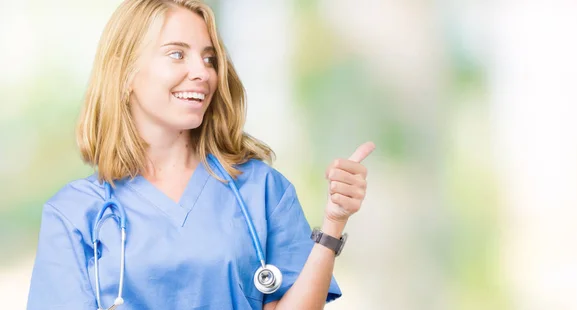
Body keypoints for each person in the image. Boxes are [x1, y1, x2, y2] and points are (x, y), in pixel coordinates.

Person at [26, 0, 375, 309]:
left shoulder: (260, 189)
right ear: (126, 71)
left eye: (209, 58)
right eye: (177, 54)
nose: (203, 73)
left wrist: (334, 222)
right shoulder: (74, 213)